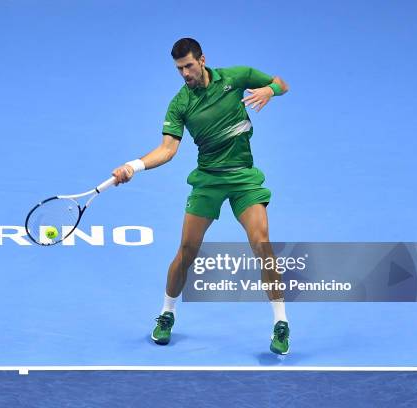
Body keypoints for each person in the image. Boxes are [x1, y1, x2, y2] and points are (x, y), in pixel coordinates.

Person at [111, 38, 290, 355]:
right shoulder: (180, 104)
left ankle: (281, 322)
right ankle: (167, 313)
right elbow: (167, 150)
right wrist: (133, 166)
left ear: (202, 60)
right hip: (207, 180)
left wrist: (269, 91)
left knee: (262, 242)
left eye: (189, 66)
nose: (184, 74)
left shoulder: (236, 77)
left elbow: (281, 83)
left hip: (244, 178)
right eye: (179, 69)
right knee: (187, 251)